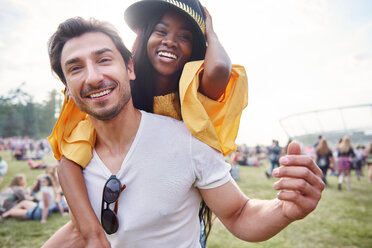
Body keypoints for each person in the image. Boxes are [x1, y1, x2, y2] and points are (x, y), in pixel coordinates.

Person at [42, 17, 324, 248]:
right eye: (75, 68)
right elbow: (84, 229)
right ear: (66, 87)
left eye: (103, 59)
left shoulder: (188, 139)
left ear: (129, 67)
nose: (92, 77)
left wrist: (284, 210)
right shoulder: (76, 156)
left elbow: (239, 214)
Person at [48, 0, 247, 246]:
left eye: (184, 36)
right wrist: (91, 232)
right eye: (160, 31)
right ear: (143, 36)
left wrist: (210, 32)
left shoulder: (192, 89)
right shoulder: (114, 86)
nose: (170, 41)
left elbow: (219, 69)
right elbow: (68, 161)